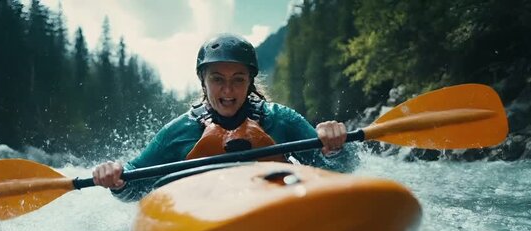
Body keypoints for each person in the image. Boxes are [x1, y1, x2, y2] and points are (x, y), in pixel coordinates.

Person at [93, 33, 357, 202]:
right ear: (203, 81)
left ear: (250, 82)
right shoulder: (179, 131)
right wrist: (115, 179)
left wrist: (334, 147)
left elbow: (341, 169)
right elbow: (133, 188)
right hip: (205, 214)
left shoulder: (280, 119)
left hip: (275, 205)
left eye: (238, 80)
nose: (228, 90)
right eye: (217, 79)